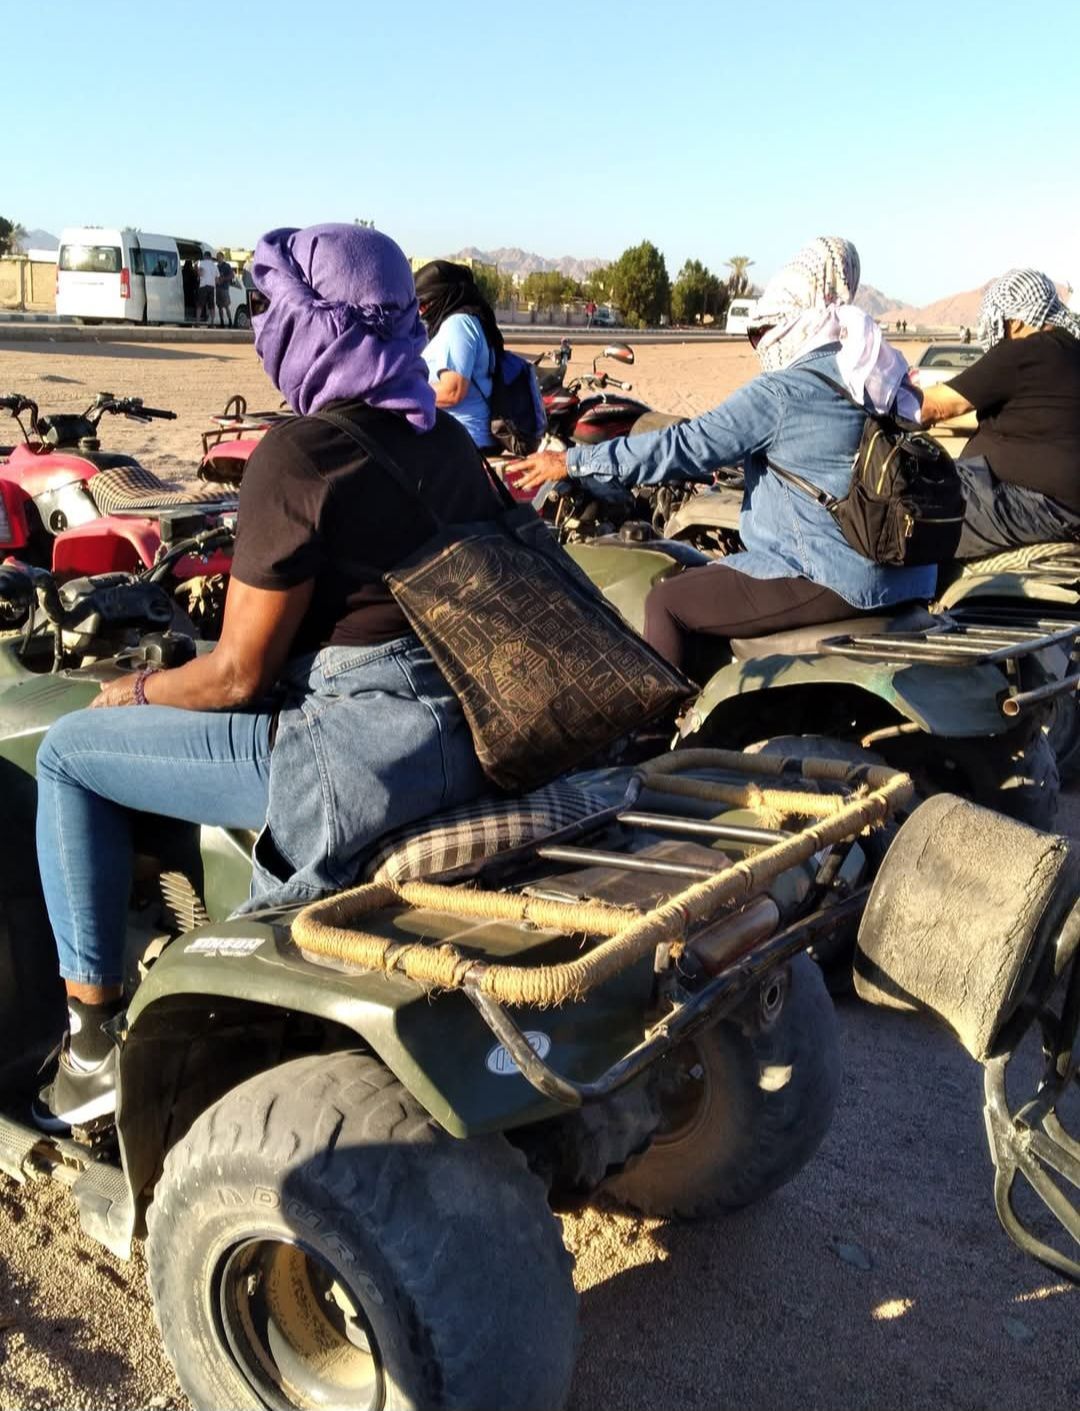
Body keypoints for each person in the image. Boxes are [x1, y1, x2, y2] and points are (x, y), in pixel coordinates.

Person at [33, 223, 498, 1130]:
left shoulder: (299, 455)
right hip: (464, 733)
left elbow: (238, 674)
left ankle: (90, 1046)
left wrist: (129, 690)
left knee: (67, 753)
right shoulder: (442, 441)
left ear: (314, 324)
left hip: (359, 758)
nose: (265, 327)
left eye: (276, 311)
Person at [516, 236, 936, 671]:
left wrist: (573, 461)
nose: (760, 345)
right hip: (905, 574)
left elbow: (685, 446)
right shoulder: (875, 375)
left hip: (831, 574)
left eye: (761, 331)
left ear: (792, 323)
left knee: (665, 602)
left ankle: (657, 734)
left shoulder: (784, 391)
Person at [918, 269, 1080, 556]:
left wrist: (876, 402)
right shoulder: (1069, 350)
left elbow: (935, 406)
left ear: (1015, 322)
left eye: (996, 318)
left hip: (1039, 506)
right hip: (1060, 505)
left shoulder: (1022, 352)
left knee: (905, 512)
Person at [413, 260, 501, 452]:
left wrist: (402, 394)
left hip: (463, 443)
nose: (421, 311)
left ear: (444, 296)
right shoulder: (462, 321)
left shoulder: (458, 324)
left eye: (425, 303)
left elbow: (453, 391)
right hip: (458, 439)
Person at [196, 250, 217, 324]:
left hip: (203, 286)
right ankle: (212, 322)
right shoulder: (214, 265)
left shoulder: (201, 263)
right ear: (210, 257)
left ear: (205, 256)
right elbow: (217, 278)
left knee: (200, 304)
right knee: (211, 305)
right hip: (211, 286)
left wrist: (198, 274)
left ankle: (198, 322)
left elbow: (200, 273)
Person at [215, 251, 235, 327]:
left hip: (224, 289)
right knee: (219, 307)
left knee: (226, 306)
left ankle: (230, 322)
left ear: (222, 257)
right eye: (217, 257)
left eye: (219, 257)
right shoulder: (216, 266)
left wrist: (224, 279)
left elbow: (232, 276)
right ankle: (222, 322)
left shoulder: (226, 266)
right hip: (218, 289)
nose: (218, 258)